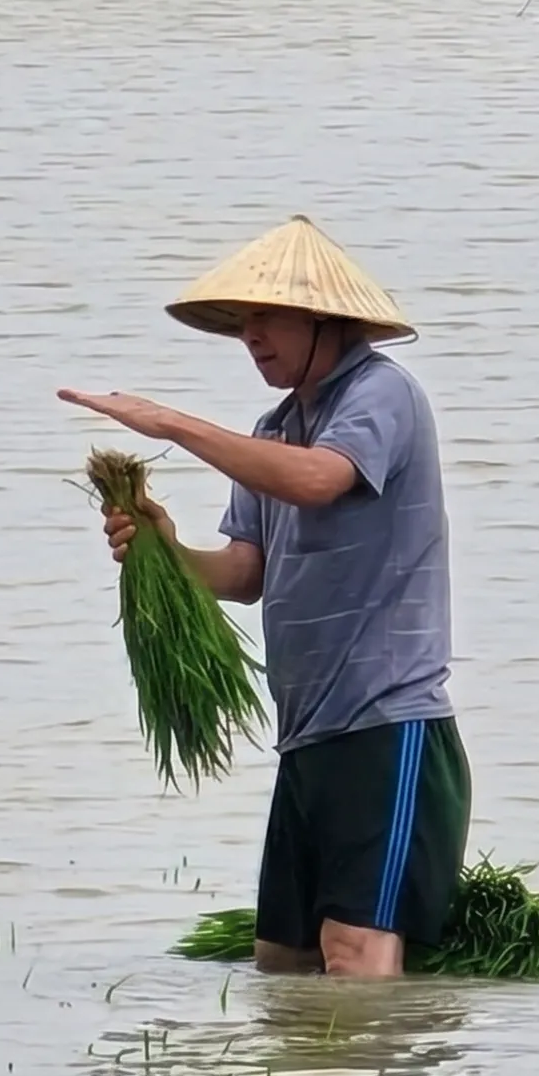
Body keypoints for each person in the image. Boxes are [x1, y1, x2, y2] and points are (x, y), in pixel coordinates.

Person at [60, 216, 470, 978]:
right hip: (307, 735)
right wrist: (161, 546)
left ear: (324, 318)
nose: (250, 335)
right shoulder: (274, 429)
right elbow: (247, 575)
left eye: (265, 317)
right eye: (241, 321)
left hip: (388, 724)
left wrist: (172, 425)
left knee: (353, 956)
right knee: (281, 963)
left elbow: (320, 480)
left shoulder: (383, 394)